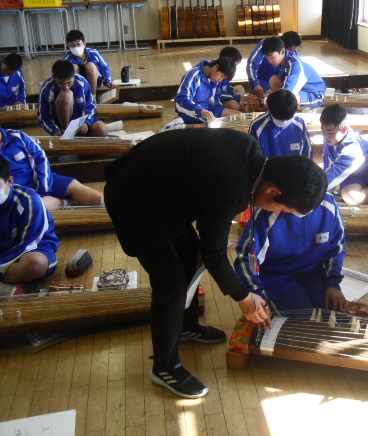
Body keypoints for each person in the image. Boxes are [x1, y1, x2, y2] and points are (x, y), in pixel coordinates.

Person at [103, 128, 327, 399]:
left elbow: (206, 237)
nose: (275, 212)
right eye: (281, 208)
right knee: (171, 282)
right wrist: (243, 296)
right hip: (135, 200)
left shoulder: (249, 151)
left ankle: (186, 327)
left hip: (160, 190)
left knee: (189, 256)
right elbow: (213, 253)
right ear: (273, 191)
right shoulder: (233, 188)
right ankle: (165, 367)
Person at [234, 192, 347, 314]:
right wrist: (255, 292)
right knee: (302, 319)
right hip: (276, 277)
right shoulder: (268, 211)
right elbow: (246, 258)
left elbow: (337, 248)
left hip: (315, 274)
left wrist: (334, 283)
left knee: (335, 313)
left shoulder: (328, 203)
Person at [0, 128, 103, 210]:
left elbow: (41, 159)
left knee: (74, 186)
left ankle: (108, 203)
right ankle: (65, 203)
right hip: (19, 192)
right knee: (37, 205)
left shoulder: (17, 137)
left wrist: (44, 191)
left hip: (41, 178)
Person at [0, 155, 59, 298]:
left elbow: (28, 244)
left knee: (35, 264)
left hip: (31, 249)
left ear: (10, 181)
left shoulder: (28, 199)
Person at [37, 60, 107, 137]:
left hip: (80, 120)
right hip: (60, 123)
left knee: (102, 130)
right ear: (54, 78)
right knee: (66, 94)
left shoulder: (82, 82)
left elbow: (91, 105)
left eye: (69, 82)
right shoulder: (47, 87)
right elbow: (43, 116)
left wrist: (86, 122)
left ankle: (77, 139)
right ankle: (66, 133)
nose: (66, 87)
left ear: (74, 76)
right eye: (60, 83)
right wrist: (55, 130)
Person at [261, 36, 326, 109]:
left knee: (288, 98)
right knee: (273, 80)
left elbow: (288, 92)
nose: (270, 61)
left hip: (315, 95)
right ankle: (283, 108)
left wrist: (272, 103)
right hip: (300, 90)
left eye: (272, 57)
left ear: (282, 51)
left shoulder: (295, 65)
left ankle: (299, 109)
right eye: (267, 58)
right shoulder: (281, 62)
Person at [174, 57, 240, 125]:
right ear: (216, 67)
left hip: (206, 110)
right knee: (215, 125)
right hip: (191, 113)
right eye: (221, 76)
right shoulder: (194, 75)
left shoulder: (214, 79)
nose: (220, 80)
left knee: (238, 115)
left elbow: (216, 100)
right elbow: (181, 99)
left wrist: (218, 113)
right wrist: (201, 110)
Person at [248, 89, 312, 158]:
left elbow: (307, 152)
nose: (283, 122)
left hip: (295, 164)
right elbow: (251, 155)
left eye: (287, 120)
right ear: (269, 109)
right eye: (279, 120)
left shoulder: (300, 124)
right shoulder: (257, 126)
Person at [247, 31, 302, 101]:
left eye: (295, 50)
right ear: (283, 48)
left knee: (292, 97)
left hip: (278, 81)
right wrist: (255, 84)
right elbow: (251, 64)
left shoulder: (293, 54)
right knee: (273, 98)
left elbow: (293, 75)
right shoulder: (266, 44)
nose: (292, 53)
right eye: (291, 50)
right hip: (262, 81)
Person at [63, 30, 115, 97]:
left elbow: (104, 67)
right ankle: (79, 96)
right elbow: (63, 75)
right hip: (78, 83)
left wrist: (107, 81)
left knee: (90, 66)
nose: (76, 47)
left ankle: (92, 97)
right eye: (72, 45)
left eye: (78, 44)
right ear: (68, 46)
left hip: (95, 80)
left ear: (84, 44)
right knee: (73, 67)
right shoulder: (67, 58)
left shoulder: (93, 53)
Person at [217, 46, 258, 112]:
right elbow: (218, 95)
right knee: (234, 105)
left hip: (224, 95)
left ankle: (240, 104)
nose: (235, 68)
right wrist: (240, 98)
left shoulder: (225, 70)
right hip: (218, 100)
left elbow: (227, 89)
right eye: (235, 65)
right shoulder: (217, 74)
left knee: (240, 88)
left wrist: (239, 100)